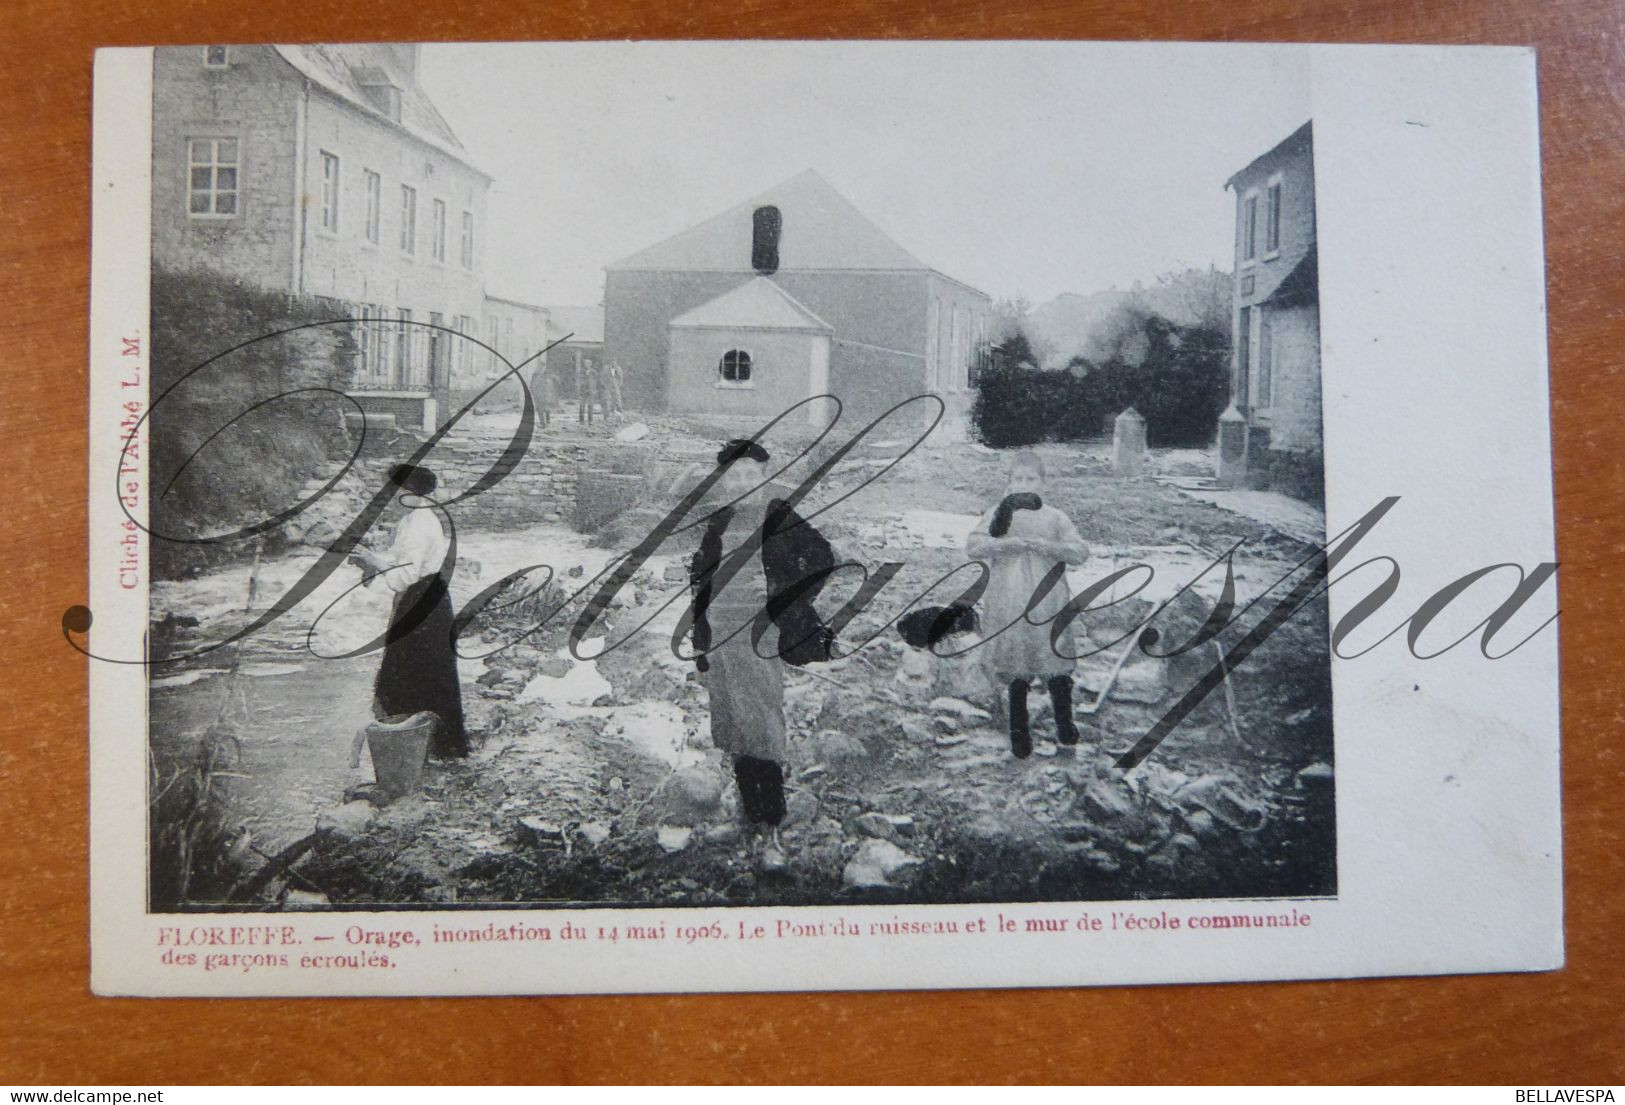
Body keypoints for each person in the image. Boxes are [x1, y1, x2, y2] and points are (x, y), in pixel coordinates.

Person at [689, 440, 836, 871]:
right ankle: (747, 815)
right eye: (734, 476)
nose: (743, 482)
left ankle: (772, 826)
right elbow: (700, 586)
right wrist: (700, 646)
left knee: (762, 722)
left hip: (760, 633)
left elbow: (822, 558)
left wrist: (778, 593)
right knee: (732, 722)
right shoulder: (718, 522)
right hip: (721, 635)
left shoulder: (778, 514)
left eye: (751, 474)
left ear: (765, 476)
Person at [964, 450, 1089, 759]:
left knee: (1057, 669)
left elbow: (1079, 552)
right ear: (1009, 483)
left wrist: (1048, 547)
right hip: (1009, 603)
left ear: (1043, 484)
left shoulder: (1056, 517)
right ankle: (1020, 741)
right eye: (1017, 479)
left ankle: (1066, 736)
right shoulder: (998, 514)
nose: (1024, 484)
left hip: (1049, 604)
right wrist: (1009, 544)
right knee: (1015, 671)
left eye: (1031, 479)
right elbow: (974, 546)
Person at [349, 464, 469, 760]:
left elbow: (407, 574)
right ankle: (434, 746)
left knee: (412, 672)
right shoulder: (416, 518)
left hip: (422, 602)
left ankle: (425, 747)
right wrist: (373, 560)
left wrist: (373, 562)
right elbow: (401, 561)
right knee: (427, 672)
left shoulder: (419, 522)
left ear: (408, 492)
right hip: (428, 600)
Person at [528, 362, 553, 428]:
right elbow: (532, 384)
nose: (541, 368)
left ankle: (546, 422)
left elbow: (532, 384)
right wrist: (533, 391)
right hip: (540, 393)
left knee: (544, 408)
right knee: (541, 408)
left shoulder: (545, 374)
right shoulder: (536, 374)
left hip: (543, 393)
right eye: (540, 366)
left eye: (542, 366)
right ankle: (545, 422)